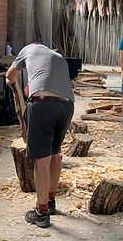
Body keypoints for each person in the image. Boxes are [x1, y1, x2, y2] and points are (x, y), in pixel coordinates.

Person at [6, 43, 75, 228]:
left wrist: (11, 82)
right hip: (66, 106)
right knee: (54, 153)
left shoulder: (27, 49)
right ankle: (50, 201)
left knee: (41, 160)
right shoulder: (58, 57)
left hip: (42, 105)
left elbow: (10, 75)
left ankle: (41, 212)